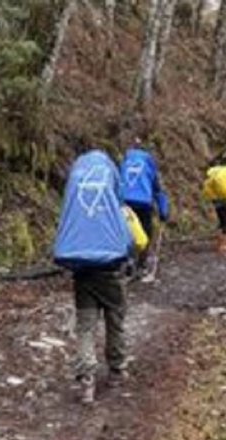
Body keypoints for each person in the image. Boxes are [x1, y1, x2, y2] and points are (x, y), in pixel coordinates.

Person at [53, 140, 148, 404]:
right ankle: (117, 370)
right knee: (115, 321)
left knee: (85, 327)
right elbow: (139, 241)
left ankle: (86, 380)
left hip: (82, 274)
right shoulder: (118, 209)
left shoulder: (75, 210)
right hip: (111, 274)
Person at [119, 137, 168, 273]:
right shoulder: (148, 162)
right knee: (145, 231)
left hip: (125, 201)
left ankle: (127, 259)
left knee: (128, 230)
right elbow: (158, 189)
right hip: (143, 202)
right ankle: (142, 262)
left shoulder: (125, 160)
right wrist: (163, 211)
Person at [201, 151, 226, 254]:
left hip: (217, 201)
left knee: (222, 222)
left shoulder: (215, 172)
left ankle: (219, 244)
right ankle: (223, 246)